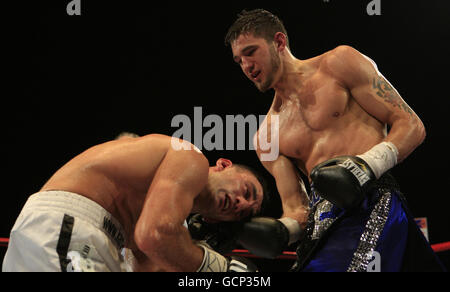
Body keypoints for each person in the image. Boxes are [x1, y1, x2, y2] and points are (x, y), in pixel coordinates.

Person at [224, 9, 445, 271]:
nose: (246, 66)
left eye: (251, 52)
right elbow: (297, 209)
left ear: (279, 42)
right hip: (321, 226)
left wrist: (365, 166)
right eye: (239, 60)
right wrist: (283, 230)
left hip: (371, 200)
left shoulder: (338, 64)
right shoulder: (266, 136)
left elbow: (411, 125)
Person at [2, 133, 265, 272]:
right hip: (70, 229)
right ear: (223, 165)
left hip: (80, 237)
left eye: (244, 213)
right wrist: (217, 267)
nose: (241, 203)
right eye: (247, 190)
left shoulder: (169, 219)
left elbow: (145, 261)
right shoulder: (189, 157)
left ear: (213, 221)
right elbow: (153, 235)